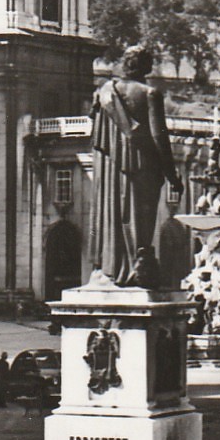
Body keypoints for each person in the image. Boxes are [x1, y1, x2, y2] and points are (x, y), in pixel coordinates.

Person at [88, 46, 182, 285]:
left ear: (125, 64)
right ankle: (136, 270)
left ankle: (108, 268)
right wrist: (172, 176)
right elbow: (159, 138)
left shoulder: (104, 92)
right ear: (147, 67)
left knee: (110, 213)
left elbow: (97, 137)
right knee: (139, 219)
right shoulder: (150, 94)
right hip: (141, 167)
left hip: (109, 170)